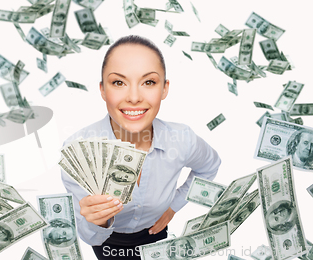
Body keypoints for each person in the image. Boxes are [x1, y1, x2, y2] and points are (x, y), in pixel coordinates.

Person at [60, 35, 221, 260]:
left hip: (156, 233)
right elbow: (91, 237)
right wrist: (96, 221)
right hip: (108, 242)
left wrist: (174, 206)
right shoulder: (78, 151)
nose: (134, 97)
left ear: (164, 89)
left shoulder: (182, 139)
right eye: (118, 82)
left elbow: (209, 167)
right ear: (103, 90)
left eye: (149, 82)